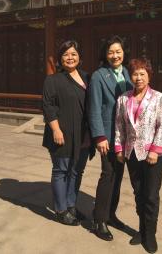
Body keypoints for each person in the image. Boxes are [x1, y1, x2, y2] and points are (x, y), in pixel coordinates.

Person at [115, 57, 162, 253]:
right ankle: (142, 229)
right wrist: (119, 149)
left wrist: (155, 150)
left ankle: (150, 234)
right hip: (132, 154)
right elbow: (119, 126)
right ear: (130, 76)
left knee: (151, 195)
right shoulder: (123, 98)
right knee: (138, 194)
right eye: (135, 74)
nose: (138, 78)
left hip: (153, 155)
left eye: (142, 74)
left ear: (149, 76)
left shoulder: (159, 97)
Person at [42, 40, 93, 225]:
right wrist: (55, 129)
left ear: (79, 57)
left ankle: (71, 205)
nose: (70, 58)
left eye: (73, 54)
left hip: (83, 135)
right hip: (62, 133)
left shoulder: (87, 77)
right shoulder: (53, 80)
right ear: (60, 59)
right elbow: (48, 107)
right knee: (61, 170)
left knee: (77, 171)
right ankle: (61, 210)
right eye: (65, 54)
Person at [89, 35, 133, 241]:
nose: (115, 55)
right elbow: (94, 108)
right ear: (105, 55)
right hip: (107, 135)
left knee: (118, 175)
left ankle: (111, 214)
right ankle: (99, 220)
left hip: (124, 136)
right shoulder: (99, 76)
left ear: (124, 52)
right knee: (108, 175)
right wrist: (99, 136)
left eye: (118, 51)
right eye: (110, 52)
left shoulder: (127, 73)